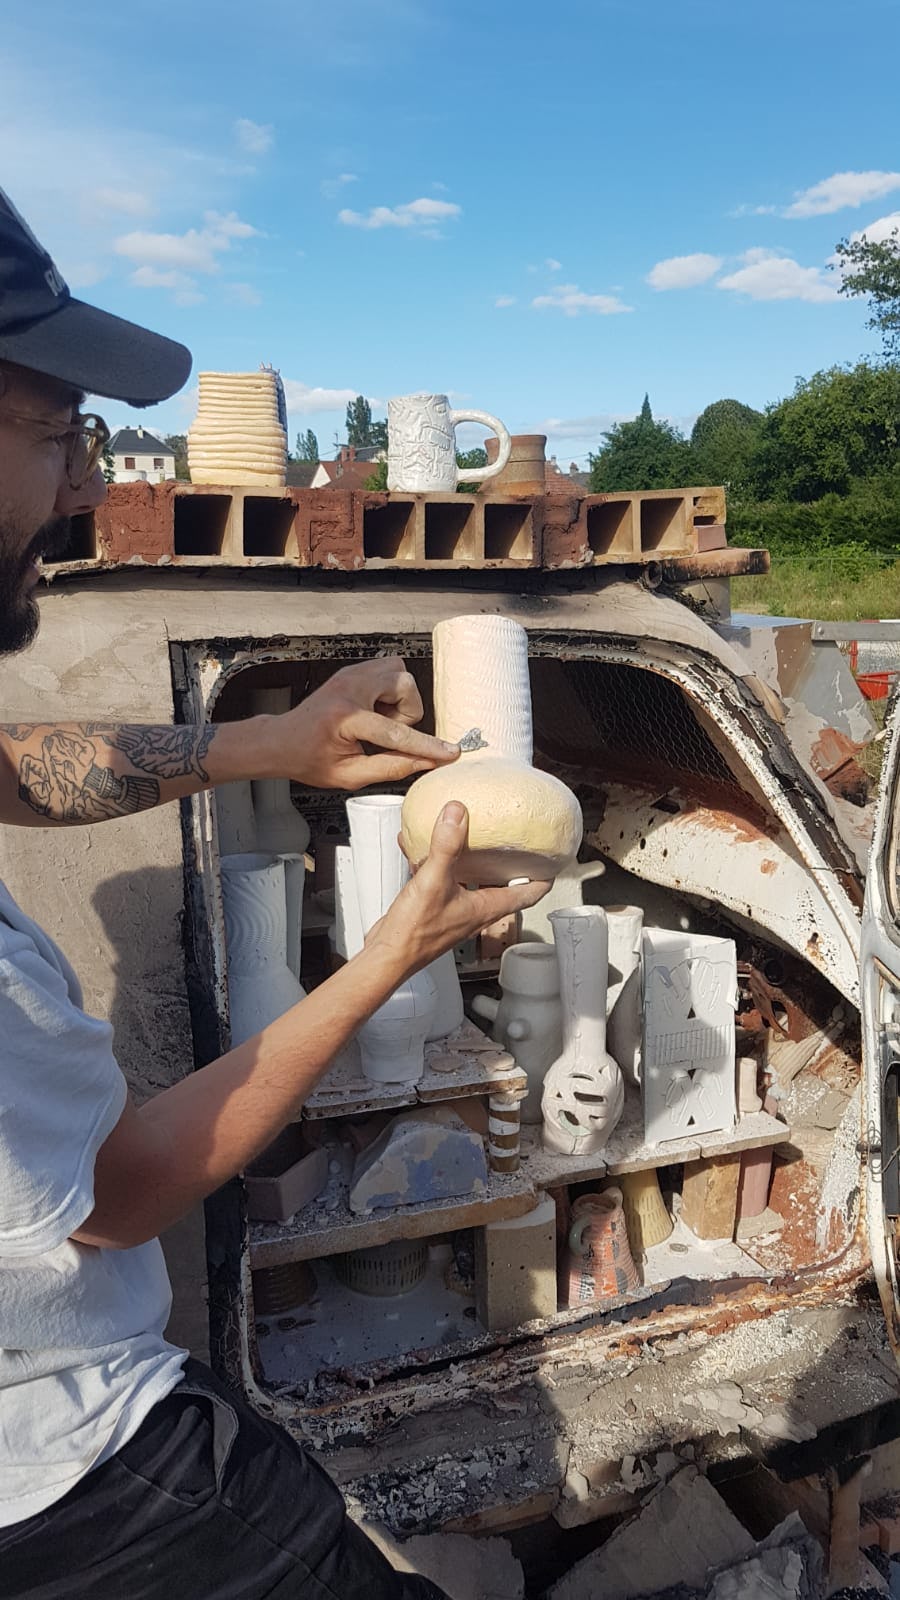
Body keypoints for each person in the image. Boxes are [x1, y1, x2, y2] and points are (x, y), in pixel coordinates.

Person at [0, 186, 549, 1598]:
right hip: (81, 1487)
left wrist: (262, 741)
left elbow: (9, 765)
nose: (80, 486)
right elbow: (117, 1199)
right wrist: (381, 960)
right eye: (58, 429)